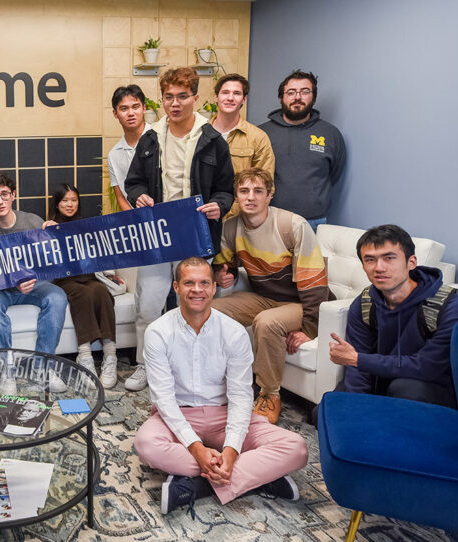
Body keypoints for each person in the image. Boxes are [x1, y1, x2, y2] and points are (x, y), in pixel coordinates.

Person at [133, 258, 308, 515]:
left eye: (204, 283)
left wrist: (231, 449)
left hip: (223, 414)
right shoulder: (158, 332)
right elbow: (164, 400)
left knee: (296, 448)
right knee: (146, 445)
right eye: (189, 283)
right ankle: (259, 476)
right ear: (176, 287)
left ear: (214, 288)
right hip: (178, 414)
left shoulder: (234, 332)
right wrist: (197, 448)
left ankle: (198, 485)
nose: (197, 290)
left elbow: (240, 396)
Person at [122, 67, 235, 392]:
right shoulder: (151, 137)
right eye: (168, 97)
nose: (175, 103)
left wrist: (219, 205)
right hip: (157, 235)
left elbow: (226, 189)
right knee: (149, 305)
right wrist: (137, 194)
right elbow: (134, 181)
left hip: (196, 235)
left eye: (182, 96)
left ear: (196, 98)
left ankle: (190, 369)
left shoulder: (213, 141)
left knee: (195, 303)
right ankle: (146, 364)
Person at [211, 168, 330, 423]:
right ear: (236, 196)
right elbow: (223, 265)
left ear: (270, 195)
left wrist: (310, 328)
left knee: (266, 321)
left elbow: (315, 283)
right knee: (212, 310)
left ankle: (269, 394)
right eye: (244, 191)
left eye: (258, 191)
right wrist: (223, 275)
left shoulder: (291, 225)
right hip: (264, 297)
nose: (250, 197)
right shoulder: (230, 228)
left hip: (299, 301)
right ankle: (222, 380)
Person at [327, 225, 458, 409]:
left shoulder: (451, 306)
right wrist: (358, 410)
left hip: (429, 389)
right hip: (381, 382)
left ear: (411, 262)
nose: (379, 267)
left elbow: (426, 367)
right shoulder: (365, 303)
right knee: (329, 408)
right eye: (370, 260)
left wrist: (358, 359)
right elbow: (357, 370)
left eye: (389, 258)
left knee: (404, 389)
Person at [0, 172, 68, 357]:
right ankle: (6, 370)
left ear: (13, 195)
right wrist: (13, 280)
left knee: (57, 297)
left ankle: (44, 366)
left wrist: (58, 236)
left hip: (34, 285)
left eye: (5, 194)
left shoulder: (33, 222)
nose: (0, 201)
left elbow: (51, 266)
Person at [43, 183, 120, 389]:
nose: (70, 204)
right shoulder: (49, 226)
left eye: (74, 200)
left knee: (101, 292)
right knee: (82, 295)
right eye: (65, 200)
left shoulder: (86, 225)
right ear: (57, 203)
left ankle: (110, 355)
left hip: (90, 276)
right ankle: (84, 355)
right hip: (65, 280)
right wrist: (47, 234)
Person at [259, 70, 345, 229]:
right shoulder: (261, 134)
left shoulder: (331, 134)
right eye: (291, 92)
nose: (297, 97)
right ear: (281, 98)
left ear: (313, 97)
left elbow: (334, 173)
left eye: (305, 91)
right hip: (269, 219)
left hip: (313, 223)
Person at [209, 74, 275, 220]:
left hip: (240, 220)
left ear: (244, 99)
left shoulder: (257, 138)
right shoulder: (199, 134)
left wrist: (231, 212)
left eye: (237, 93)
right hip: (203, 216)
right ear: (216, 97)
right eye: (225, 92)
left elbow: (265, 185)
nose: (230, 98)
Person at [106, 85, 152, 212]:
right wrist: (135, 219)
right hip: (136, 221)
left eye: (135, 107)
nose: (131, 113)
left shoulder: (159, 138)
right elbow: (121, 197)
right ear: (115, 113)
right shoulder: (114, 155)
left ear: (144, 108)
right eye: (124, 109)